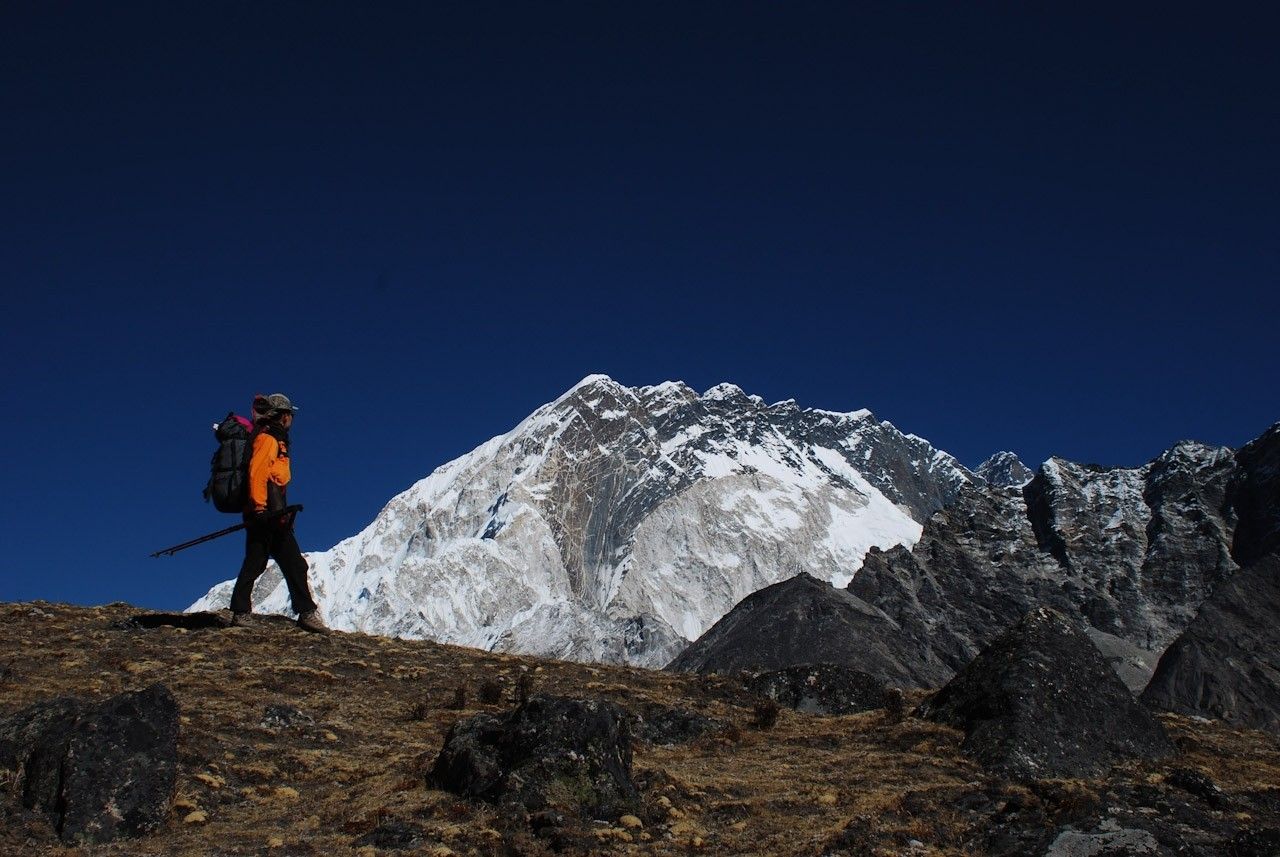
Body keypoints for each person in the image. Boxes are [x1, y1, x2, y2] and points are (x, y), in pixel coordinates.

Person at [229, 393, 327, 633]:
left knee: (286, 563)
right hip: (265, 514)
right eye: (290, 415)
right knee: (262, 562)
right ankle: (243, 612)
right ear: (283, 416)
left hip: (274, 514)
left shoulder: (276, 439)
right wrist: (260, 507)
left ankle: (303, 612)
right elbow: (258, 473)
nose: (291, 419)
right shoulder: (268, 439)